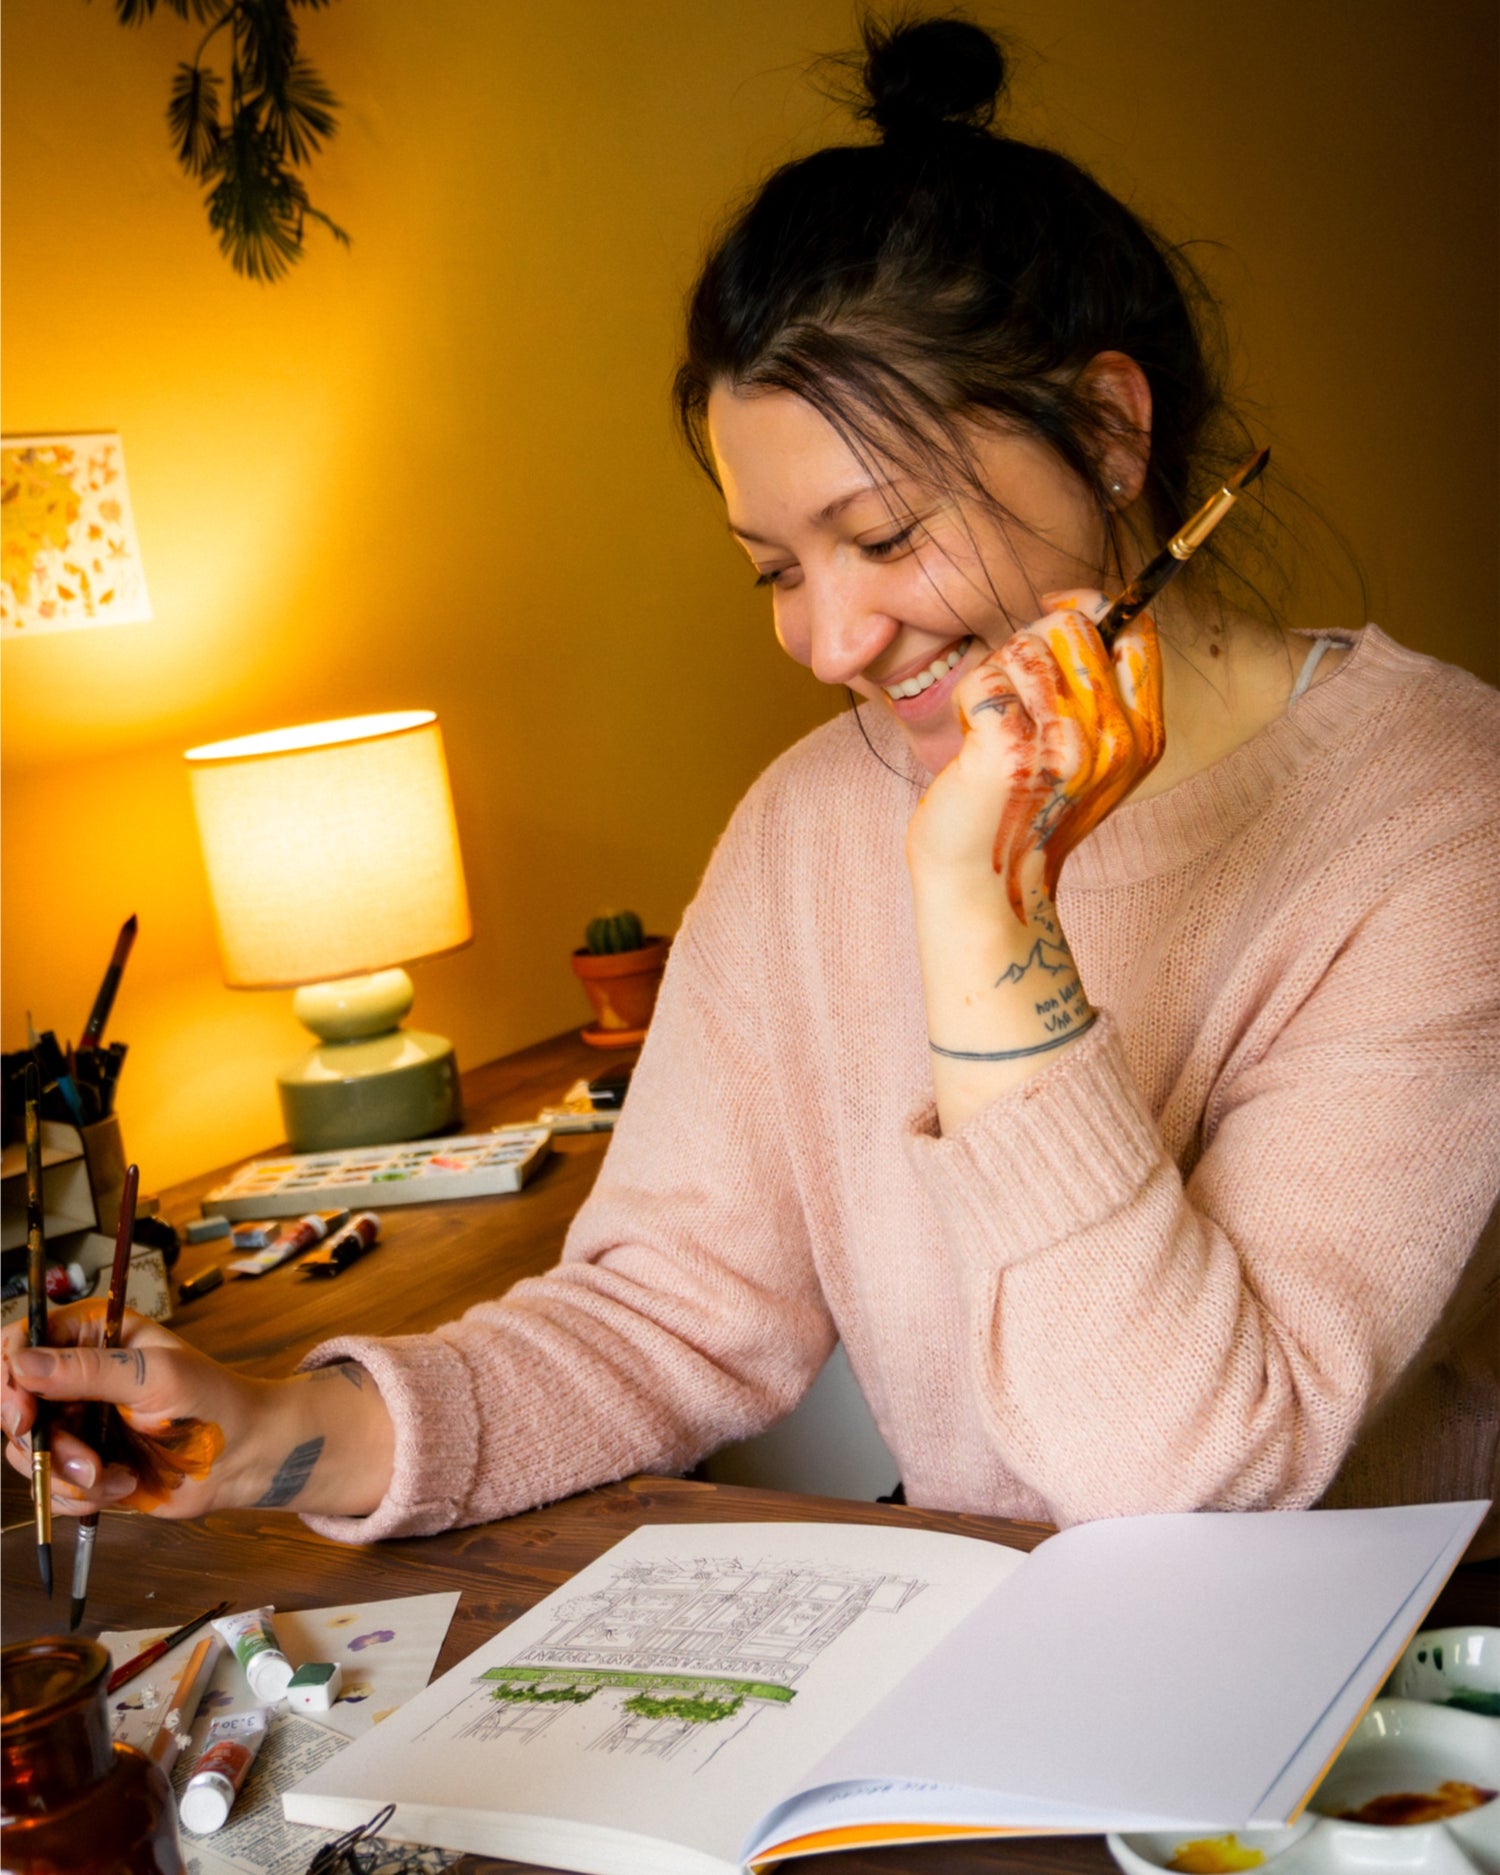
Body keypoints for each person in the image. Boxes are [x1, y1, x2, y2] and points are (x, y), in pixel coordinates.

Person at [6, 17, 1498, 1551]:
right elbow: (667, 1312)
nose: (832, 641)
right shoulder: (809, 822)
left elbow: (1188, 1481)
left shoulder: (1435, 809)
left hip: (1372, 1734)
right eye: (777, 569)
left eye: (890, 535)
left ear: (1112, 434)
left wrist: (985, 929)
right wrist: (276, 1435)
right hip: (992, 1695)